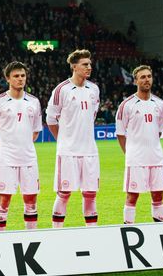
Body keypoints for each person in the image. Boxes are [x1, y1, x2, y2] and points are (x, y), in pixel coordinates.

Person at [45, 49, 100, 228]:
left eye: (90, 64)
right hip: (68, 151)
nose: (89, 67)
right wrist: (62, 139)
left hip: (90, 150)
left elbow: (92, 115)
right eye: (85, 64)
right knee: (64, 193)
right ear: (74, 67)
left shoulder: (94, 89)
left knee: (90, 193)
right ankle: (57, 234)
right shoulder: (62, 89)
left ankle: (92, 234)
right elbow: (50, 119)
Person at [0, 61, 43, 230]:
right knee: (4, 200)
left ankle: (31, 237)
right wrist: (3, 150)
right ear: (8, 79)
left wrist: (23, 145)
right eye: (16, 76)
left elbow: (36, 130)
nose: (20, 79)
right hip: (6, 159)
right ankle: (0, 237)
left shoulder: (34, 102)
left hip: (28, 157)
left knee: (31, 200)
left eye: (23, 76)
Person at [115, 65, 163, 224]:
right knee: (132, 195)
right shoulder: (127, 105)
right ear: (135, 80)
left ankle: (160, 230)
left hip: (156, 157)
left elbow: (159, 131)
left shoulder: (159, 103)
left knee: (158, 195)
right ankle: (127, 229)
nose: (147, 80)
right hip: (136, 158)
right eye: (143, 77)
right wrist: (130, 153)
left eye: (149, 76)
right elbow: (120, 134)